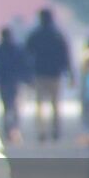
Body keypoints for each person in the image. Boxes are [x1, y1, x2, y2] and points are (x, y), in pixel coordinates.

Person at [25, 8, 71, 142]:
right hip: (55, 74)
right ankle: (56, 130)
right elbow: (65, 55)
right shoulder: (58, 35)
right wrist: (69, 72)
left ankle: (42, 131)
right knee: (55, 104)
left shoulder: (35, 35)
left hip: (40, 73)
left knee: (40, 104)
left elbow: (27, 53)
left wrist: (28, 73)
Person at [0, 28, 30, 144]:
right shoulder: (18, 49)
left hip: (4, 82)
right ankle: (15, 129)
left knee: (6, 106)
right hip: (16, 81)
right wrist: (27, 79)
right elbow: (24, 64)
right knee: (16, 106)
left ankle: (7, 129)